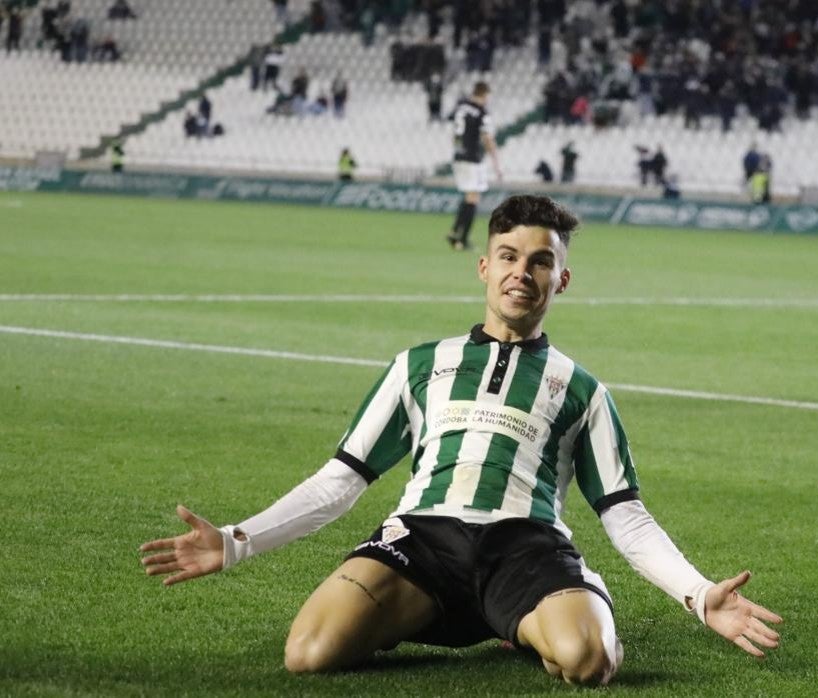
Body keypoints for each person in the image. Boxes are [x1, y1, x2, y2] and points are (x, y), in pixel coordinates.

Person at [139, 195, 782, 685]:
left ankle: (560, 608)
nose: (521, 272)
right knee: (308, 653)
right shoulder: (418, 365)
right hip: (423, 541)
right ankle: (489, 619)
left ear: (561, 279)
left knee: (588, 661)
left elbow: (626, 516)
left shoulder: (583, 391)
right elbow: (341, 480)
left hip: (525, 548)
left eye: (541, 261)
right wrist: (238, 541)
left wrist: (699, 595)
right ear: (484, 267)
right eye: (508, 257)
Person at [446, 81, 503, 251]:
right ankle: (462, 240)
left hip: (459, 155)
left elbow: (455, 133)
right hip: (472, 158)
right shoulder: (482, 113)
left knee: (468, 195)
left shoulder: (461, 107)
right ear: (485, 94)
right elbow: (487, 138)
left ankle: (454, 231)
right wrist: (496, 163)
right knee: (473, 197)